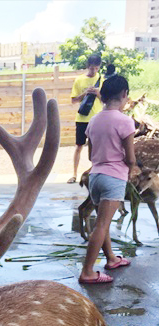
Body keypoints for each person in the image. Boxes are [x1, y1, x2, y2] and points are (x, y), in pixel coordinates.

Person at [78, 74, 136, 284]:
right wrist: (132, 168)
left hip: (95, 176)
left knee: (103, 223)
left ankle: (111, 258)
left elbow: (90, 155)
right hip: (114, 177)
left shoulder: (93, 121)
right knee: (101, 225)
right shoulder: (125, 121)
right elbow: (130, 157)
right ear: (124, 94)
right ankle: (87, 272)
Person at [69, 54, 102, 184]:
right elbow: (73, 100)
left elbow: (105, 100)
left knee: (96, 147)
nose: (93, 70)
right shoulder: (79, 80)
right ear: (87, 66)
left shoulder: (102, 80)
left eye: (96, 68)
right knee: (79, 146)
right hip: (82, 118)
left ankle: (94, 172)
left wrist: (97, 93)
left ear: (99, 67)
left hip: (97, 118)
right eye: (91, 68)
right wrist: (85, 93)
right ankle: (74, 174)